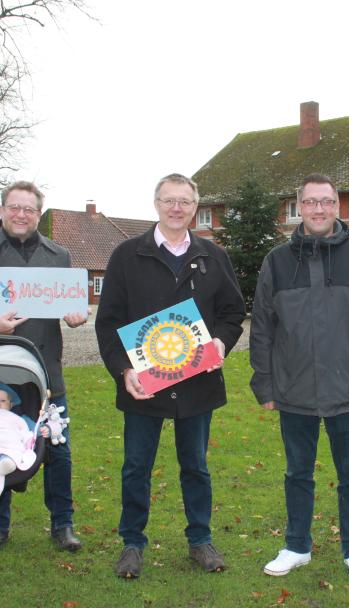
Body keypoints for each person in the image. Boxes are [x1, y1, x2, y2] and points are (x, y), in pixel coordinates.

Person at [95, 173, 245, 579]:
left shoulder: (214, 256)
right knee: (135, 467)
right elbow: (107, 322)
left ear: (195, 206)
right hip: (144, 384)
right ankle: (132, 542)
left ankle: (200, 539)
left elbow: (233, 313)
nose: (176, 208)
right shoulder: (127, 255)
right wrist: (122, 370)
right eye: (169, 200)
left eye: (184, 201)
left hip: (197, 384)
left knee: (196, 465)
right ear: (156, 204)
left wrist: (220, 343)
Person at [250, 173, 349, 584]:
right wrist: (264, 383)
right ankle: (297, 545)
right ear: (299, 207)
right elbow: (262, 327)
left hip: (348, 389)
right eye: (310, 202)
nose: (318, 209)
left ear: (337, 207)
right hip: (293, 389)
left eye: (326, 201)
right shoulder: (276, 261)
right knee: (297, 473)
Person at [0, 181, 87, 554]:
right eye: (14, 207)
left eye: (29, 209)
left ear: (38, 214)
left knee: (58, 451)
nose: (21, 215)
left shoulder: (58, 255)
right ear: (1, 210)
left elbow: (64, 304)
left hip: (46, 373)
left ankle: (62, 523)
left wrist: (75, 316)